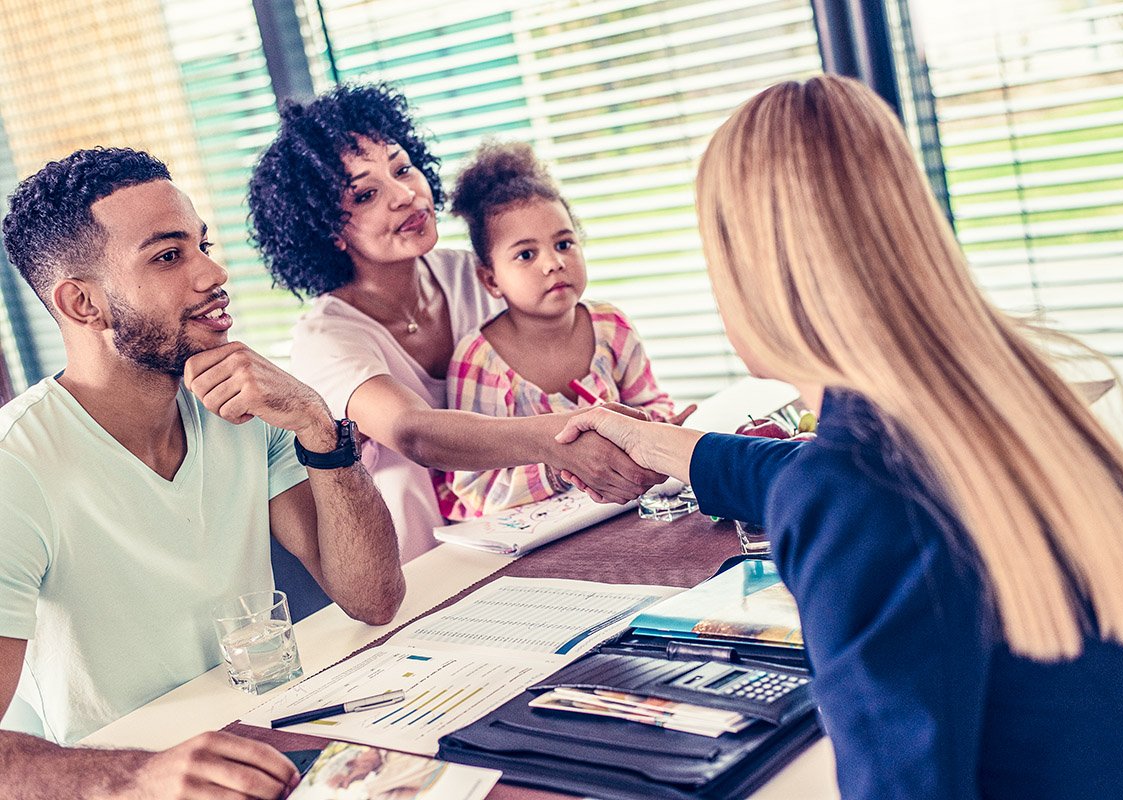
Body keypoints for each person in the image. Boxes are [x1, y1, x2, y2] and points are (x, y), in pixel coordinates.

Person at [557, 76, 1123, 799]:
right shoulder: (1004, 400)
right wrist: (658, 445)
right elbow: (823, 480)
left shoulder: (859, 492)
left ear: (749, 273)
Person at [0, 147, 404, 798]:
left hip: (271, 747)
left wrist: (318, 427)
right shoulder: (14, 470)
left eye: (202, 244)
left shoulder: (250, 406)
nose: (213, 273)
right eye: (168, 256)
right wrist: (138, 774)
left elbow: (373, 598)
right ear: (82, 304)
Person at [247, 85, 662, 561]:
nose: (406, 195)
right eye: (364, 194)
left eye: (403, 168)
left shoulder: (475, 273)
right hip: (422, 550)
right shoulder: (328, 337)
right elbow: (412, 431)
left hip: (531, 521)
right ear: (327, 229)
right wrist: (571, 437)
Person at [442, 140, 693, 518]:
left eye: (564, 243)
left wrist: (660, 430)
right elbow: (477, 488)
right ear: (490, 279)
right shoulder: (480, 361)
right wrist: (564, 469)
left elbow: (651, 405)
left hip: (623, 512)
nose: (554, 263)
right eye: (527, 254)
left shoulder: (611, 327)